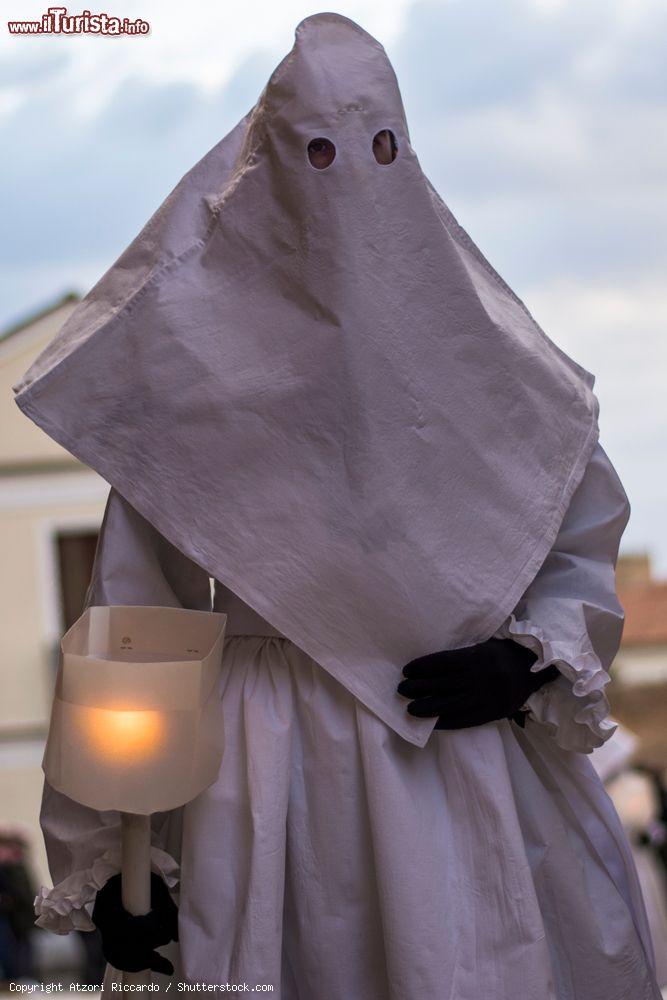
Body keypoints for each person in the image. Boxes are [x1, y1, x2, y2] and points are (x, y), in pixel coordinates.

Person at [14, 12, 662, 998]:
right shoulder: (192, 385)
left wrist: (527, 657)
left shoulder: (500, 374)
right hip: (266, 786)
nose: (348, 182)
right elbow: (133, 634)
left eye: (377, 149)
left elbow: (575, 551)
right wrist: (119, 856)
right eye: (316, 153)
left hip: (467, 762)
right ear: (264, 167)